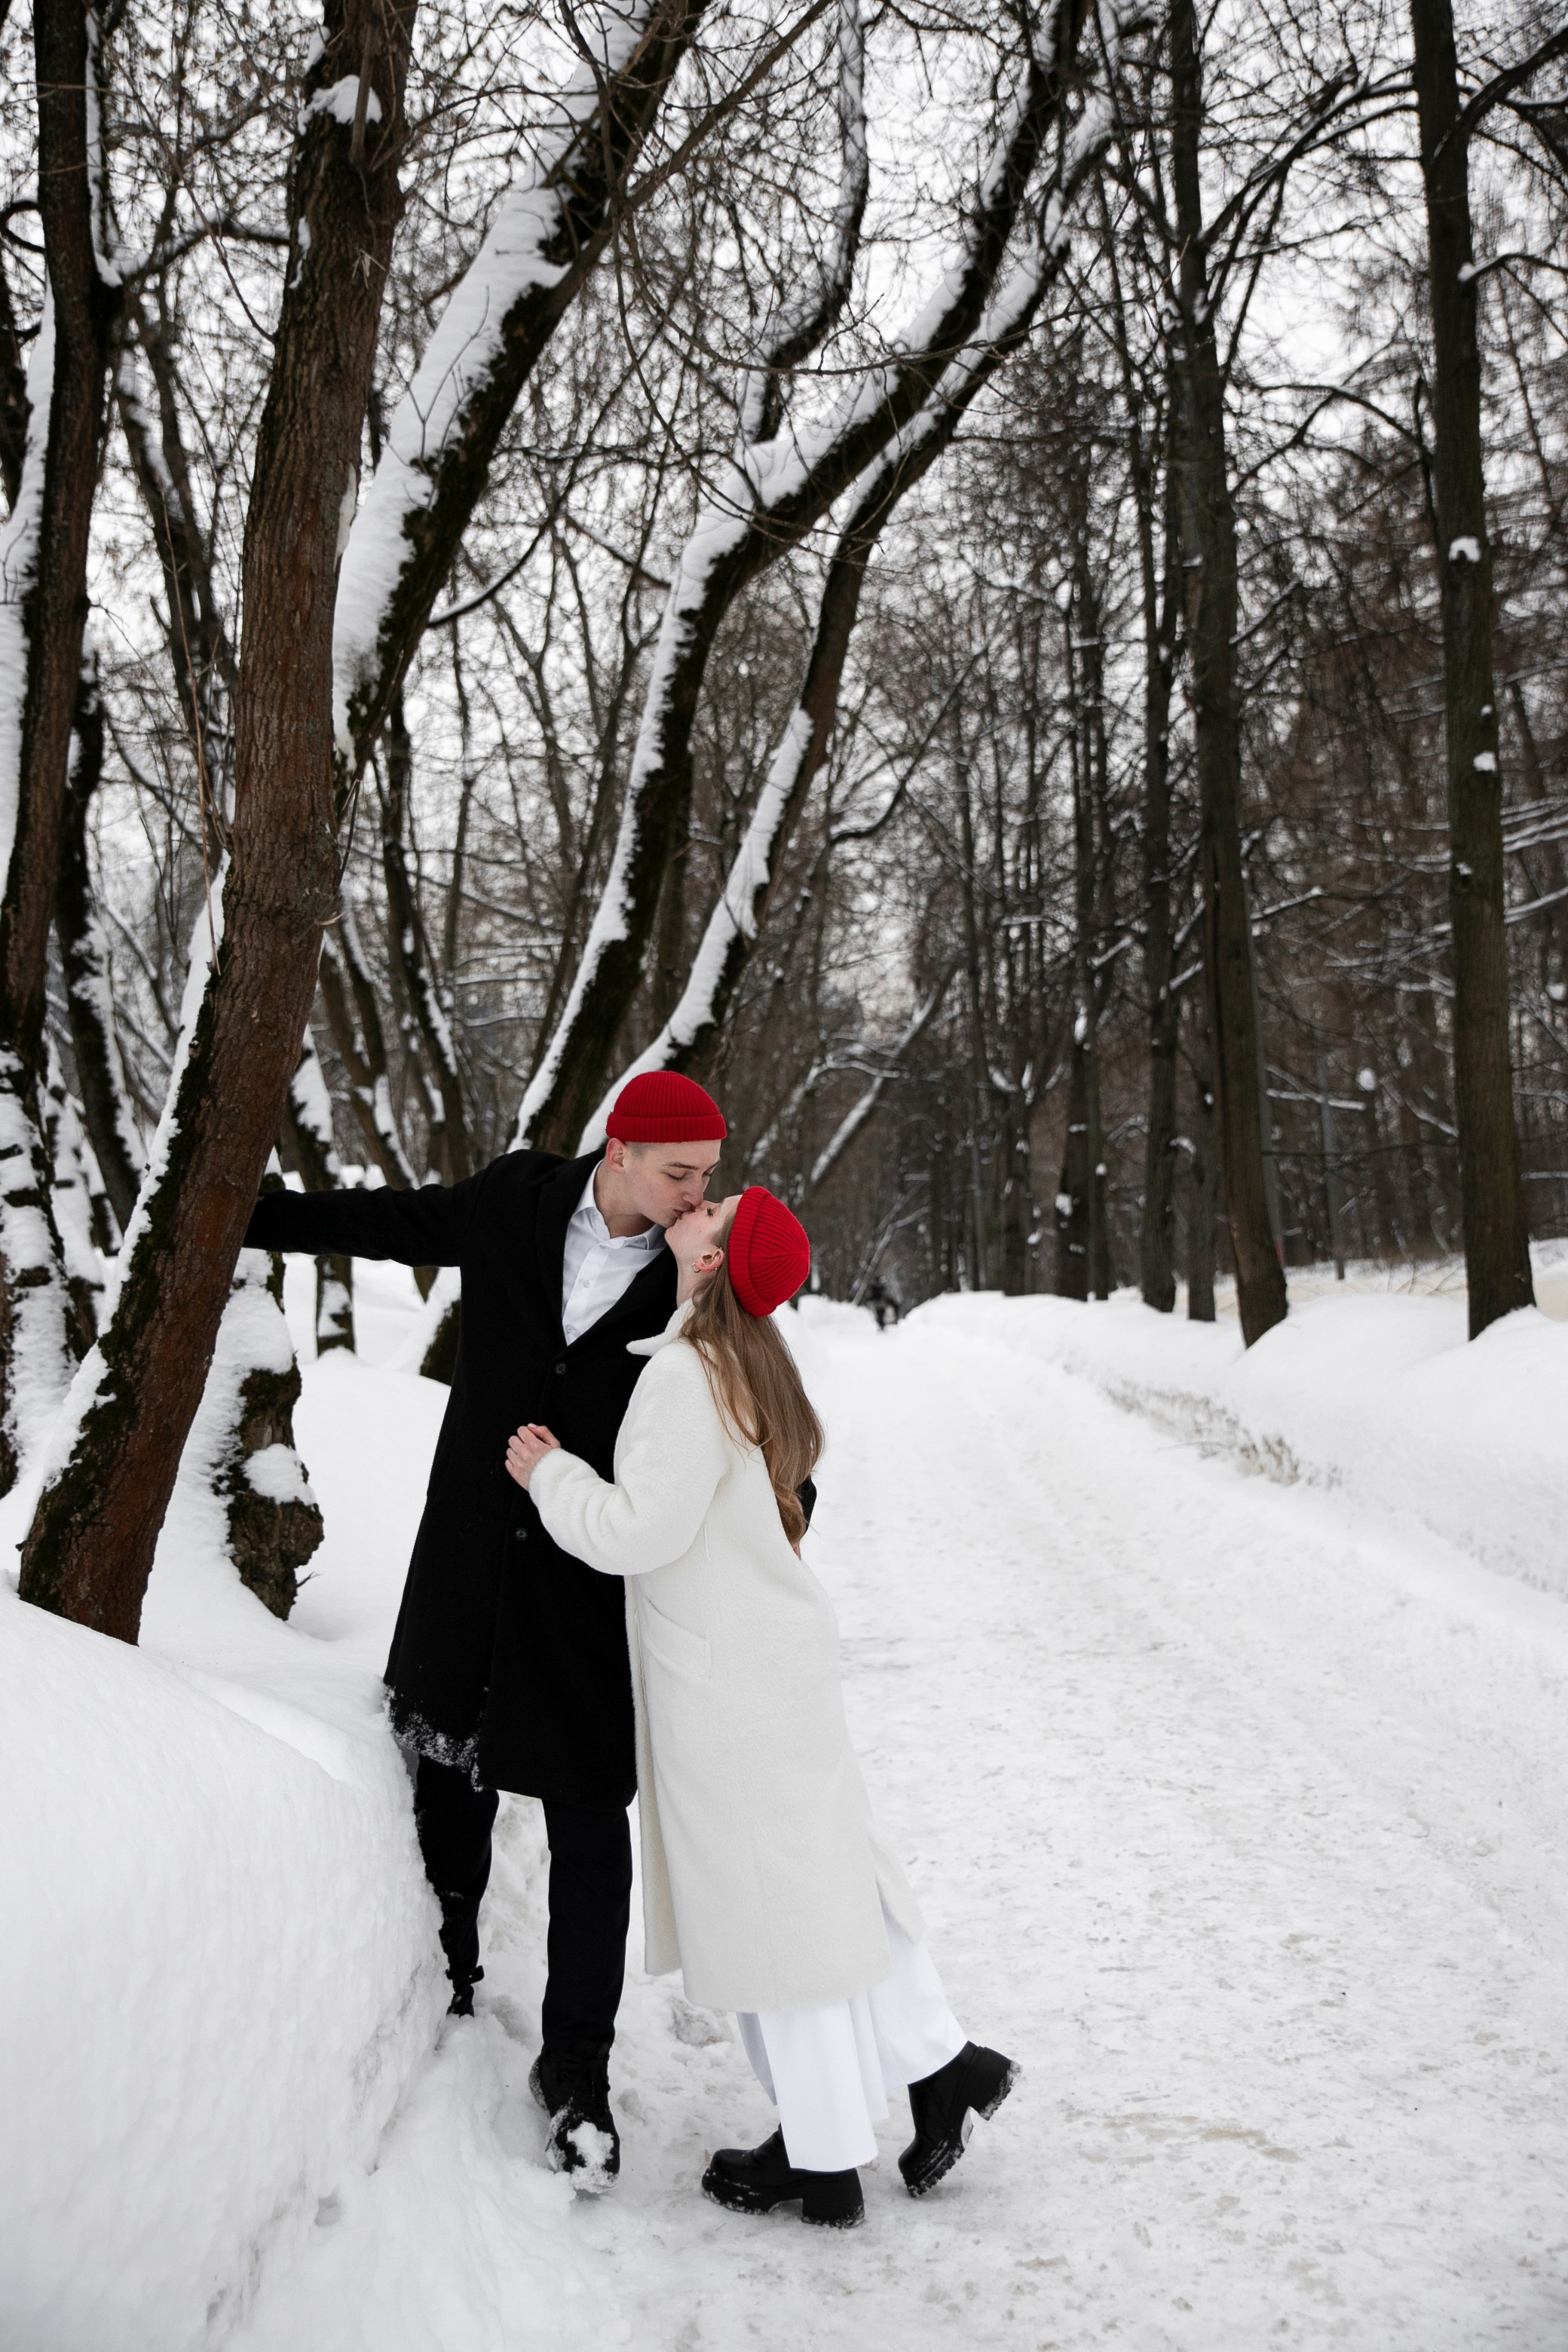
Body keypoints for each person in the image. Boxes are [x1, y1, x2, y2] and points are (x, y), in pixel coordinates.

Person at [243, 1070, 777, 2189]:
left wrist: (781, 1513)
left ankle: (576, 2069)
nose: (698, 1197)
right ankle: (444, 1968)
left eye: (708, 1180)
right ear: (619, 1150)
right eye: (681, 1173)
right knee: (448, 1770)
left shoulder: (701, 1280)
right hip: (469, 1561)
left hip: (590, 1587)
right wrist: (240, 1212)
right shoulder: (511, 1202)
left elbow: (759, 1416)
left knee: (589, 1828)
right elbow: (384, 1223)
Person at [506, 1186, 1016, 2225]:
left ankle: (827, 2157)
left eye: (712, 1210)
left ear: (711, 1261)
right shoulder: (742, 1360)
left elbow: (640, 1531)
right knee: (817, 1893)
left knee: (775, 1923)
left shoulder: (691, 1376)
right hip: (769, 1673)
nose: (694, 1204)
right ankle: (935, 2073)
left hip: (731, 1689)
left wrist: (551, 1475)